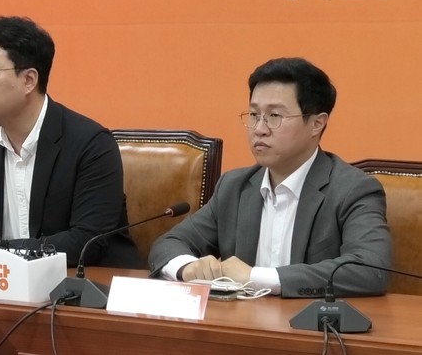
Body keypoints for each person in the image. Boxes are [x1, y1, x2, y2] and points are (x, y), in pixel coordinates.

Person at [149, 57, 392, 297]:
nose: (259, 129)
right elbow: (169, 243)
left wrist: (256, 277)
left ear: (317, 124)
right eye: (254, 115)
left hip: (311, 321)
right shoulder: (234, 187)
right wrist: (187, 267)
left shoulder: (352, 190)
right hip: (241, 320)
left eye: (275, 116)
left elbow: (371, 269)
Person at [0, 16, 140, 268]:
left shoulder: (91, 144)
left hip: (84, 282)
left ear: (28, 80)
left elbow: (86, 242)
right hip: (1, 284)